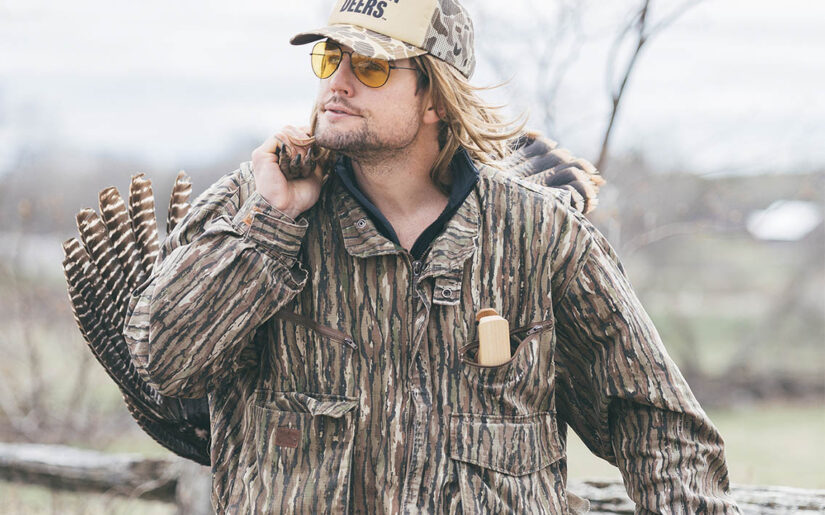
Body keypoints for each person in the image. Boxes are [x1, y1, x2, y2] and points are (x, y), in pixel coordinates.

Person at [124, 0, 740, 512]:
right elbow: (165, 366)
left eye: (369, 66)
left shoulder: (538, 232)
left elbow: (658, 423)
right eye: (329, 57)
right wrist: (269, 228)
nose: (336, 82)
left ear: (434, 98)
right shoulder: (256, 202)